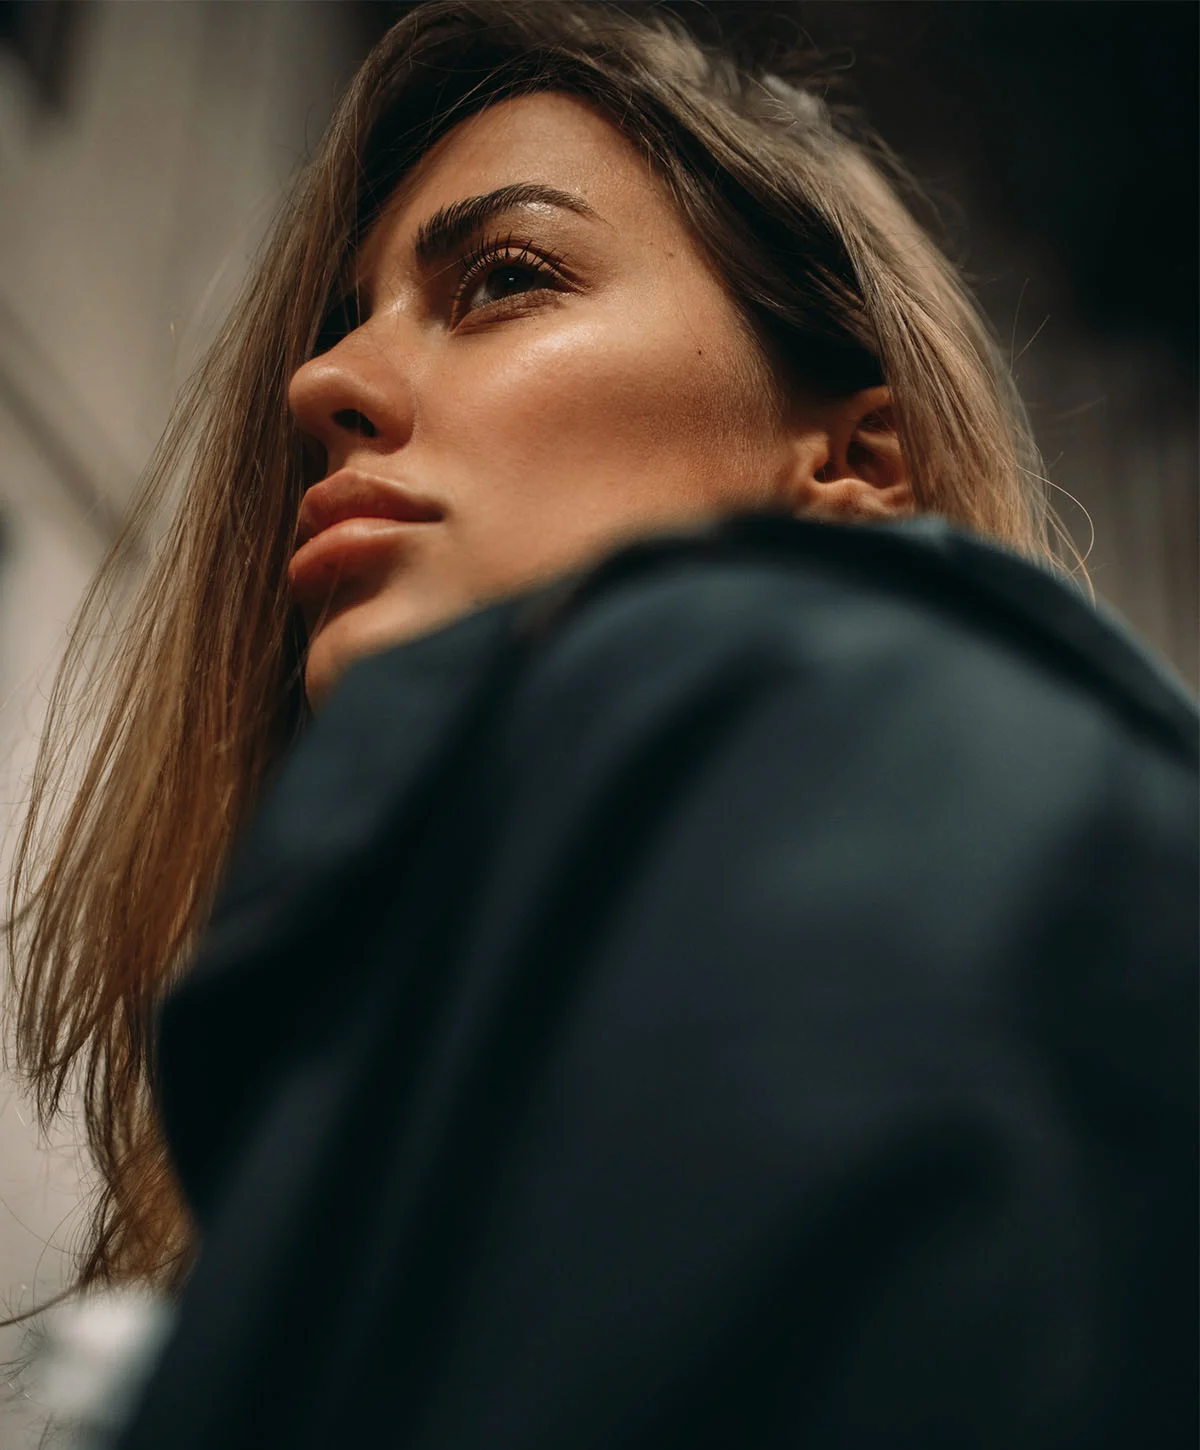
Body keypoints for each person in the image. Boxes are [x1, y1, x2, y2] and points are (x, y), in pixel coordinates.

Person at [3, 2, 1195, 1445]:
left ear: (854, 458)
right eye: (340, 325)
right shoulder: (435, 1037)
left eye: (505, 278)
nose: (321, 386)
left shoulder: (942, 799)